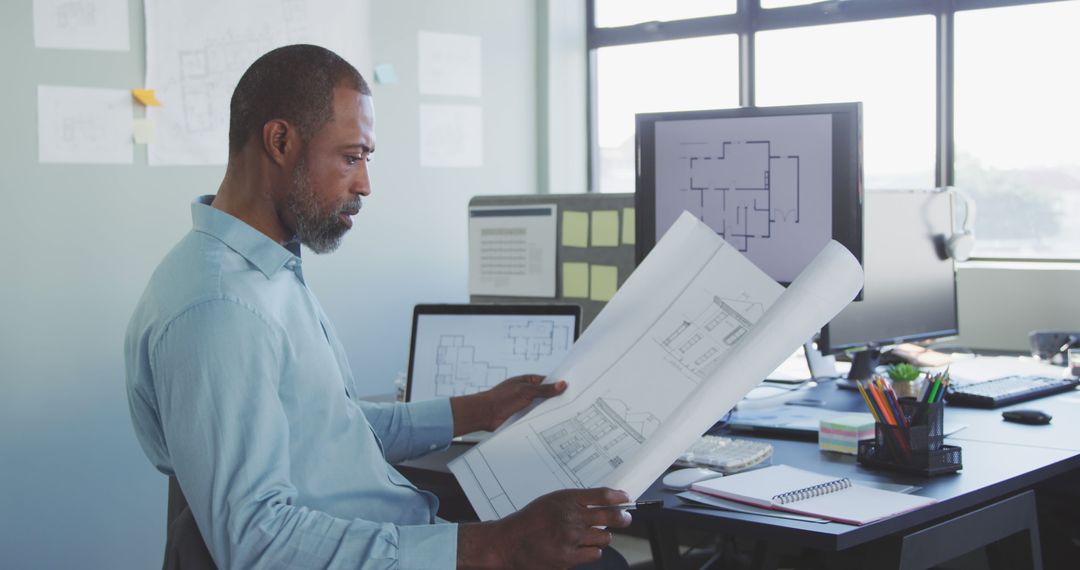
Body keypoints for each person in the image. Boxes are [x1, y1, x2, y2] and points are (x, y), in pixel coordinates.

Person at [125, 44, 631, 569]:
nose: (365, 184)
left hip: (391, 534)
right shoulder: (222, 308)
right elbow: (258, 542)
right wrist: (496, 547)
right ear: (280, 141)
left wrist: (479, 409)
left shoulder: (262, 272)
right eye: (351, 157)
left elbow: (332, 428)